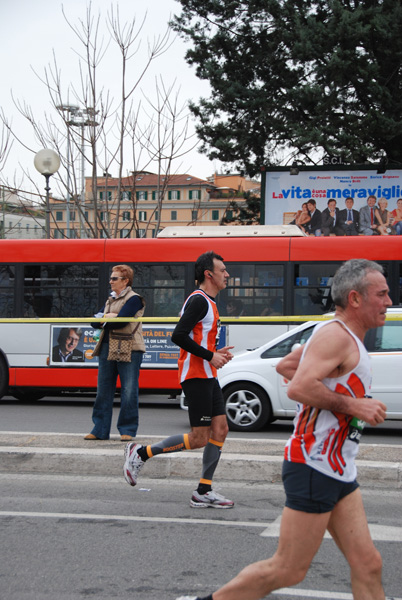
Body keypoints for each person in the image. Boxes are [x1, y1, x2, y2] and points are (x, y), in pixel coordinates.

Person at [176, 258, 391, 600]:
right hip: (313, 464)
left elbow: (288, 365)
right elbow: (298, 387)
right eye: (382, 294)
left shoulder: (340, 336)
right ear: (354, 298)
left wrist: (335, 391)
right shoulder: (336, 336)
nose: (389, 302)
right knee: (288, 568)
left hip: (337, 466)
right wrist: (354, 405)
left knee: (368, 563)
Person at [123, 250, 235, 508]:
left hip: (208, 374)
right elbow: (178, 336)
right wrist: (210, 355)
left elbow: (195, 338)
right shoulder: (199, 301)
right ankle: (141, 452)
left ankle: (203, 491)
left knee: (221, 430)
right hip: (195, 375)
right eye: (222, 270)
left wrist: (215, 355)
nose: (227, 274)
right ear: (209, 274)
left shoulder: (210, 301)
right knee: (199, 438)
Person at [84, 264, 145, 442]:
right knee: (103, 390)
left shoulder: (134, 299)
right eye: (111, 278)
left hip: (130, 348)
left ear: (125, 281)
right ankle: (99, 430)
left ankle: (127, 429)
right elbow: (94, 323)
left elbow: (120, 322)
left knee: (129, 390)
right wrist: (108, 317)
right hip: (107, 346)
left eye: (114, 278)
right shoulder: (110, 299)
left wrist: (106, 317)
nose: (110, 281)